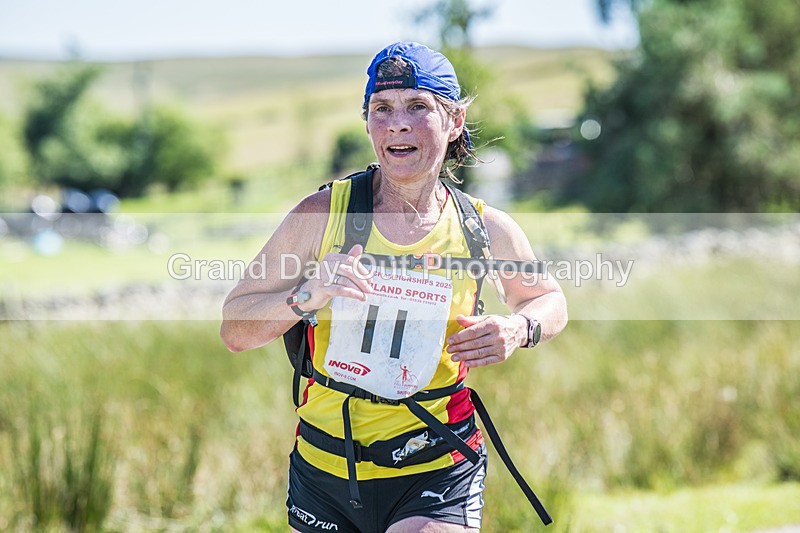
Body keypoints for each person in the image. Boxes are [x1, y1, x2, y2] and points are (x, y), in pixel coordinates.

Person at [221, 41, 568, 533]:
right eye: (382, 109)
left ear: (454, 121)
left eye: (417, 107)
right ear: (367, 124)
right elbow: (235, 329)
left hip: (438, 461)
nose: (397, 124)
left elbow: (549, 300)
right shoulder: (321, 215)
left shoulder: (483, 228)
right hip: (326, 469)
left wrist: (518, 329)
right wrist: (307, 296)